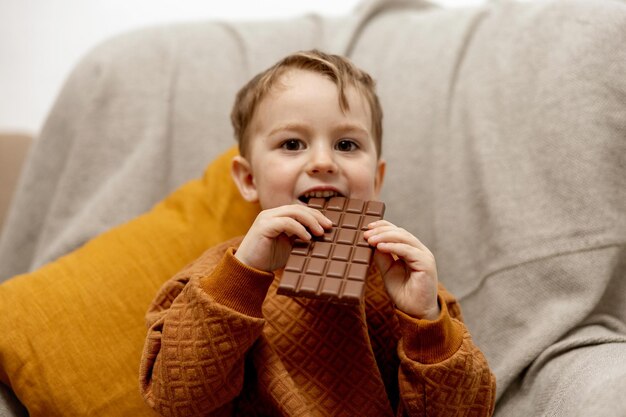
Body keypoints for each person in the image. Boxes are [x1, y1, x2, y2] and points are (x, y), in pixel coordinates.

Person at [139, 49, 496, 416]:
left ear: (375, 179)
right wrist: (243, 276)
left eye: (346, 145)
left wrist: (426, 324)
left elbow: (470, 411)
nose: (323, 162)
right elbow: (175, 401)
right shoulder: (213, 282)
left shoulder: (413, 289)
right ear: (248, 179)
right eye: (292, 144)